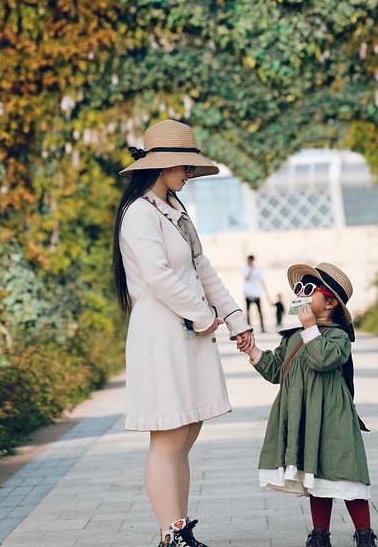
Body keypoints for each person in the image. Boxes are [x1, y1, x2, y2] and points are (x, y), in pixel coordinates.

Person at [113, 119, 254, 547]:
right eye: (185, 167)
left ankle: (179, 528)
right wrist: (201, 315)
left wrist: (236, 320)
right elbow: (158, 278)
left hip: (188, 334)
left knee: (187, 431)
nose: (189, 174)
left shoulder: (174, 210)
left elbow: (201, 268)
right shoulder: (139, 214)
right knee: (169, 436)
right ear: (163, 165)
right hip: (161, 334)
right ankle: (170, 534)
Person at [239, 262, 377, 547]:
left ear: (330, 302)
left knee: (346, 473)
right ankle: (320, 533)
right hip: (305, 416)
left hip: (333, 417)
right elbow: (276, 371)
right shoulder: (293, 337)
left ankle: (364, 533)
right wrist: (253, 351)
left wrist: (311, 328)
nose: (300, 294)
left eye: (308, 289)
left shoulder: (338, 336)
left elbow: (323, 359)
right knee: (316, 476)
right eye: (298, 289)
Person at [242, 255, 268, 332]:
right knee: (248, 311)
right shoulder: (244, 268)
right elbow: (246, 278)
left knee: (260, 311)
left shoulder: (257, 268)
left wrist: (265, 290)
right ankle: (249, 328)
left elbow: (261, 279)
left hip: (256, 293)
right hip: (248, 293)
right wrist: (250, 270)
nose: (249, 262)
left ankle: (262, 327)